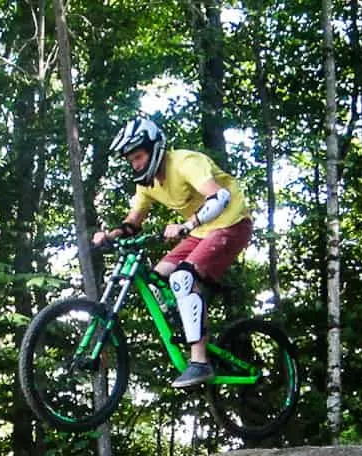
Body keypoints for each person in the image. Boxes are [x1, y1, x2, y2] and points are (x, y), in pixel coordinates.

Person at [92, 118, 253, 388]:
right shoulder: (147, 184)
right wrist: (110, 235)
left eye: (139, 156)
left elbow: (220, 197)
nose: (136, 164)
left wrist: (186, 225)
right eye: (131, 160)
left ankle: (200, 362)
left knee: (182, 278)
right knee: (157, 278)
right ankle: (193, 321)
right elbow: (133, 223)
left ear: (154, 148)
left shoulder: (185, 162)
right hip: (202, 232)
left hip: (232, 223)